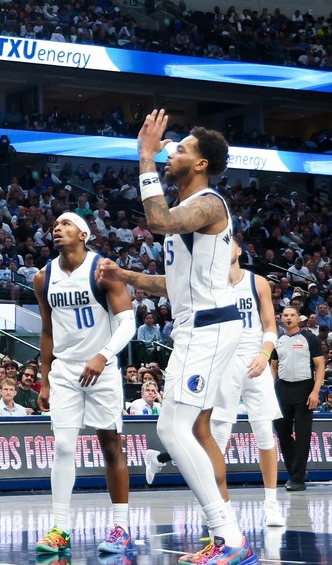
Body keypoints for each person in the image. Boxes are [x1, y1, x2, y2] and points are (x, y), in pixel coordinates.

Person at [98, 112, 251, 564]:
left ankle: (230, 539)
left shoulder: (209, 203)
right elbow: (173, 285)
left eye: (180, 149)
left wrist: (144, 158)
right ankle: (224, 534)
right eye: (168, 149)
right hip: (203, 325)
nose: (170, 153)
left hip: (207, 329)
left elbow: (158, 221)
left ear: (202, 164)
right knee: (193, 429)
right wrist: (125, 275)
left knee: (170, 428)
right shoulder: (192, 212)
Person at [148, 240, 286, 527]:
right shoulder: (209, 285)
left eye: (231, 245)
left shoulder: (257, 282)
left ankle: (271, 503)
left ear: (238, 251)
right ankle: (220, 504)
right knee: (217, 434)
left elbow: (270, 325)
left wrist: (265, 354)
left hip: (254, 359)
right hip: (222, 359)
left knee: (263, 431)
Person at [33, 213, 136, 555]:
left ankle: (121, 528)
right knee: (63, 447)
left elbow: (127, 323)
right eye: (55, 224)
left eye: (65, 224)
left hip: (101, 368)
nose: (57, 228)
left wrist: (103, 355)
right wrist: (45, 379)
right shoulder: (43, 277)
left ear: (83, 234)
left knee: (110, 444)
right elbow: (47, 331)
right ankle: (59, 528)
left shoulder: (103, 270)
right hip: (65, 371)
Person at [271, 306, 324, 492]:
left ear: (298, 318)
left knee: (303, 435)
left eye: (292, 315)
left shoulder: (310, 338)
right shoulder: (278, 341)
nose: (288, 318)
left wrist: (315, 391)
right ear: (281, 319)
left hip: (304, 389)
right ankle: (297, 471)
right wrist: (271, 389)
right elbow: (274, 367)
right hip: (282, 389)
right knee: (282, 433)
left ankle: (297, 479)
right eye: (285, 315)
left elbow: (320, 367)